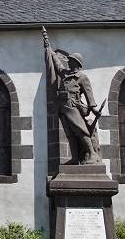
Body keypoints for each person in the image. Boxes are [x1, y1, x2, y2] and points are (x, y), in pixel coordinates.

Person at [43, 28, 102, 165]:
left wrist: (93, 109)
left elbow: (89, 95)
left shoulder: (82, 77)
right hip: (62, 107)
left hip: (73, 106)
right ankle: (75, 158)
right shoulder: (64, 73)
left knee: (80, 130)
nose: (68, 62)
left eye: (70, 60)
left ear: (76, 63)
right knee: (69, 133)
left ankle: (93, 154)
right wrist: (49, 48)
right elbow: (57, 63)